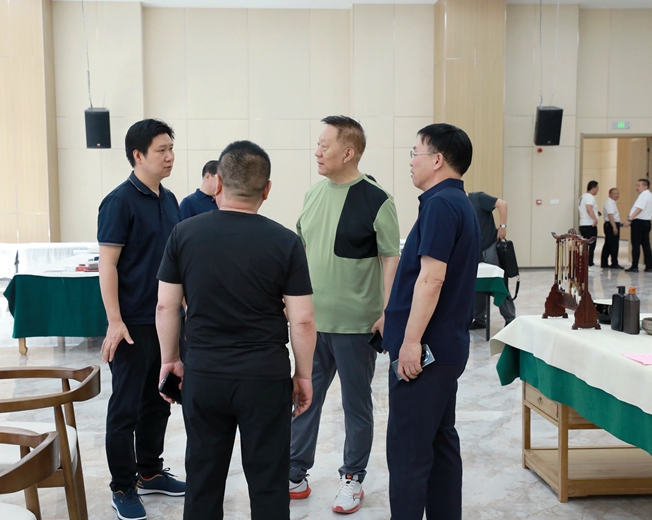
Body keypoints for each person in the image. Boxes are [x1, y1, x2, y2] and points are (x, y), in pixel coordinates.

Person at [155, 140, 317, 520]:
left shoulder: (184, 234)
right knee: (269, 483)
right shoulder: (286, 242)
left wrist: (170, 360)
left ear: (218, 183)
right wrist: (304, 375)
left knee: (203, 480)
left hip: (204, 374)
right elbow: (303, 319)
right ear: (267, 189)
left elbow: (165, 305)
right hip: (265, 378)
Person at [289, 115, 400, 514]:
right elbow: (301, 252)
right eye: (318, 144)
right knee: (304, 397)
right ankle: (294, 472)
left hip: (357, 326)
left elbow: (391, 258)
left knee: (356, 405)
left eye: (325, 145)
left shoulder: (377, 198)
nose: (317, 151)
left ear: (348, 152)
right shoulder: (313, 194)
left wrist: (388, 312)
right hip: (312, 324)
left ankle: (352, 477)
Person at [383, 123, 479, 520]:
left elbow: (432, 278)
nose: (410, 161)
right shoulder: (458, 203)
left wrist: (410, 342)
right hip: (446, 346)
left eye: (415, 152)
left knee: (408, 452)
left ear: (437, 160)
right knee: (440, 444)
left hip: (427, 352)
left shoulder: (440, 205)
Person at [97, 119, 186, 520]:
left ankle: (149, 471)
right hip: (132, 323)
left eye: (171, 148)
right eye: (161, 150)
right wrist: (115, 321)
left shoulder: (170, 200)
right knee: (126, 409)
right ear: (138, 155)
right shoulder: (119, 202)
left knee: (159, 401)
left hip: (166, 321)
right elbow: (108, 265)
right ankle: (123, 485)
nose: (170, 156)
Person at [467, 192, 515, 328]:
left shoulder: (478, 198)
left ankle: (510, 318)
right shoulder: (460, 205)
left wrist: (503, 227)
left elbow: (502, 204)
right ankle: (479, 319)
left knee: (498, 282)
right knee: (478, 284)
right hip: (473, 250)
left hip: (489, 247)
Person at [623, 178, 652, 273]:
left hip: (638, 222)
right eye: (636, 185)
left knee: (636, 245)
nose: (637, 187)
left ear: (645, 186)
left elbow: (639, 208)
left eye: (639, 185)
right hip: (647, 222)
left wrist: (630, 219)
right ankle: (649, 266)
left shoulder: (643, 196)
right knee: (646, 245)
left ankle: (635, 266)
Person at [578, 180, 599, 268]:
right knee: (591, 245)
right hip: (589, 224)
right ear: (593, 188)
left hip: (583, 224)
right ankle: (590, 264)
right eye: (597, 188)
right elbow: (589, 209)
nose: (598, 190)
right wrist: (595, 219)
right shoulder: (590, 197)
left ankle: (585, 263)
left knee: (586, 245)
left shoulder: (582, 196)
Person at [601, 188, 623, 268]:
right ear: (610, 194)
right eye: (614, 193)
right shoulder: (609, 203)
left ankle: (604, 263)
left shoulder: (613, 203)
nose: (616, 195)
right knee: (613, 244)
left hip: (611, 224)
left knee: (608, 244)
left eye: (617, 193)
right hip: (611, 224)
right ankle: (614, 262)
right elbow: (610, 216)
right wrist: (614, 227)